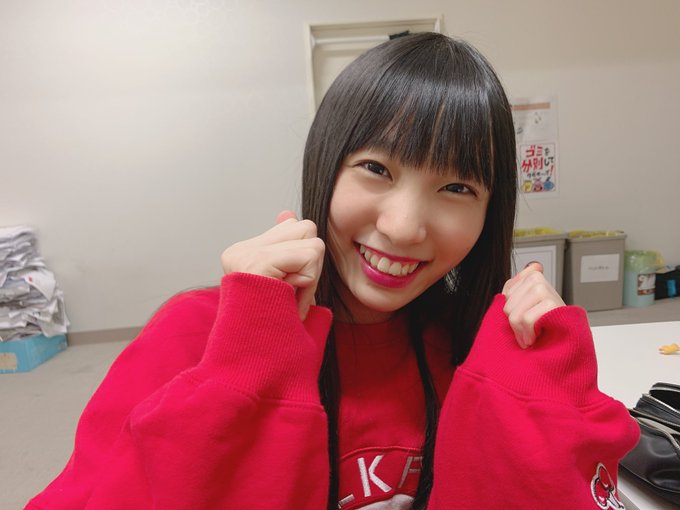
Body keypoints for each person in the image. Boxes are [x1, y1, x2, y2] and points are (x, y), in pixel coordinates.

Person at [26, 33, 638, 510]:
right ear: (326, 165)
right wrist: (242, 369)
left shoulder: (475, 351)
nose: (404, 227)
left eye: (457, 187)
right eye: (376, 169)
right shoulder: (195, 336)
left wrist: (545, 391)